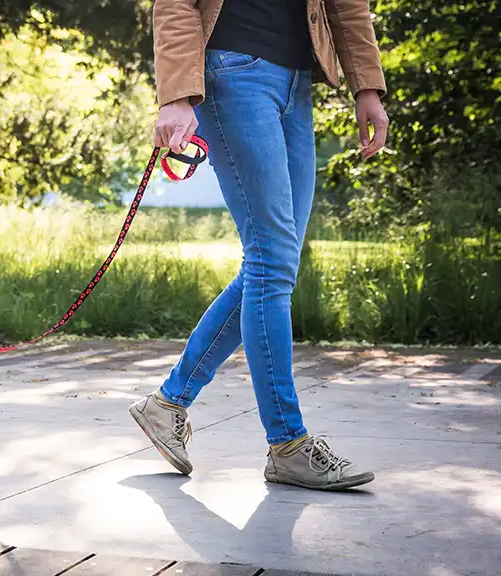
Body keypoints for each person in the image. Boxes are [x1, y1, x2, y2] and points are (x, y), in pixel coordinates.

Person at [129, 0, 389, 490]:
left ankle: (166, 405)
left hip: (297, 78)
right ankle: (288, 443)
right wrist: (177, 94)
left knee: (273, 262)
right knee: (271, 261)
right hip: (231, 70)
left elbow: (346, 4)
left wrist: (367, 85)